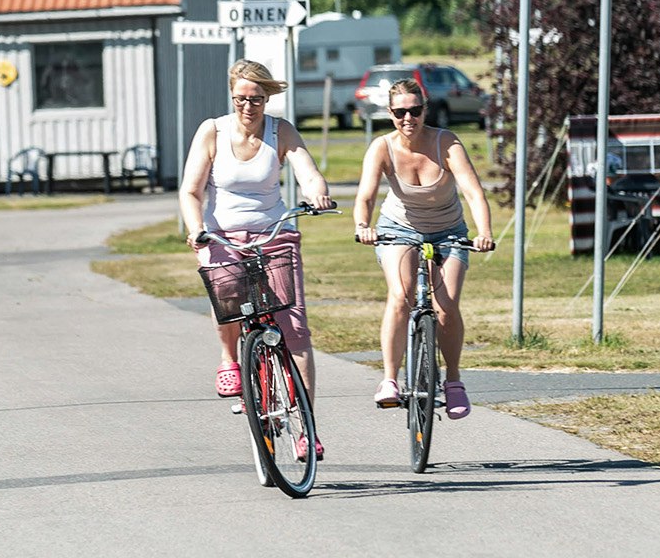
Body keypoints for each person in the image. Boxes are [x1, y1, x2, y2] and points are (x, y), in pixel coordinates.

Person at [178, 59, 335, 430]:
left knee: (293, 329)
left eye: (257, 99)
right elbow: (190, 190)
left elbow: (308, 173)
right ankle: (229, 356)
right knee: (228, 293)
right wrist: (196, 227)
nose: (248, 108)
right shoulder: (212, 131)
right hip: (221, 234)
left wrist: (317, 194)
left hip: (273, 233)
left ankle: (306, 427)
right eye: (241, 99)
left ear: (267, 98)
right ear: (232, 95)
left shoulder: (281, 132)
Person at [352, 75, 495, 420]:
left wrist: (484, 231)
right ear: (389, 113)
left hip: (448, 231)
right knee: (400, 297)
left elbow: (474, 192)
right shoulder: (381, 148)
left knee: (446, 306)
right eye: (400, 112)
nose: (408, 118)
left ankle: (454, 381)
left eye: (415, 110)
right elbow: (366, 196)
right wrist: (362, 226)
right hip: (398, 230)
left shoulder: (446, 143)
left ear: (425, 109)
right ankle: (389, 379)